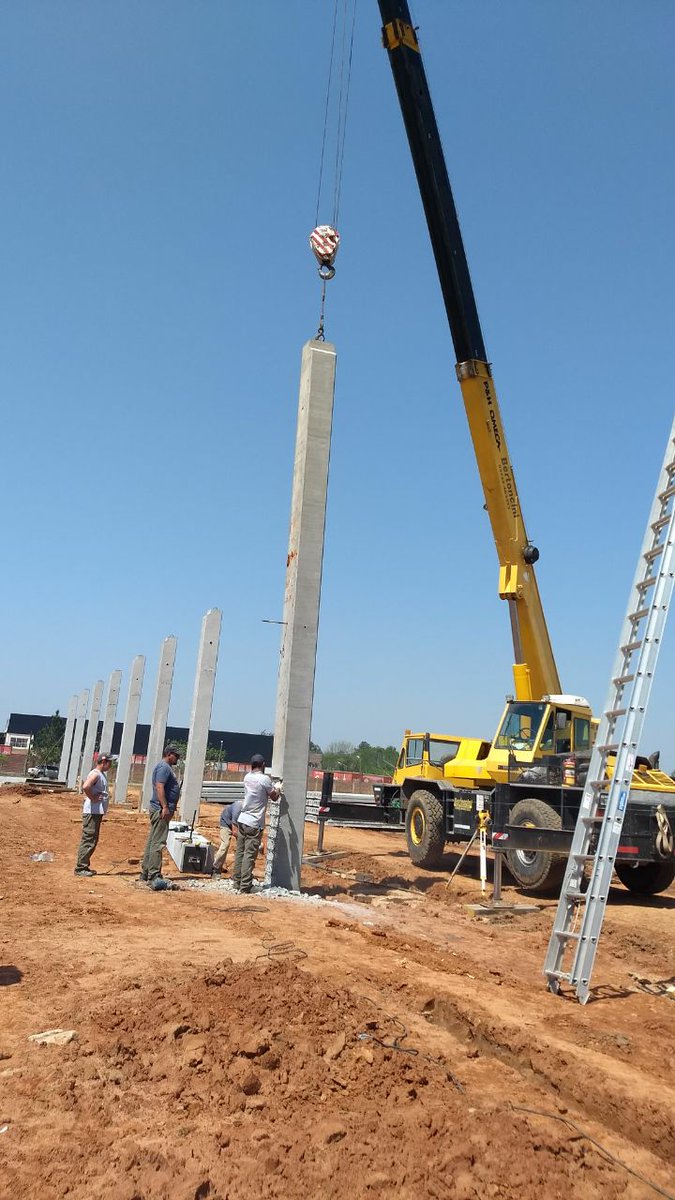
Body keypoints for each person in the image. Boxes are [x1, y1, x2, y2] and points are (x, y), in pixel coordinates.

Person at [232, 754, 281, 894]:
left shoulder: (247, 777)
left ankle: (237, 882)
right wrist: (278, 787)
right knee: (249, 854)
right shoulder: (264, 779)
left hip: (243, 819)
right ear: (262, 764)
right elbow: (274, 797)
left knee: (240, 852)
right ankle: (246, 885)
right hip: (254, 822)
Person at [140, 745, 181, 886]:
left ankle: (146, 871)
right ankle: (154, 874)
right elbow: (159, 787)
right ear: (169, 754)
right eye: (176, 756)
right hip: (160, 809)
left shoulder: (165, 767)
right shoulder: (164, 768)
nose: (178, 759)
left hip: (160, 808)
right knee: (158, 842)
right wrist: (164, 806)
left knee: (153, 840)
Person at [74, 753, 112, 877]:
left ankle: (83, 866)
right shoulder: (96, 774)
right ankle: (81, 868)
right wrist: (93, 797)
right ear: (104, 761)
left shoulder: (100, 775)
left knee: (92, 839)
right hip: (92, 812)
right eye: (109, 762)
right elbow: (86, 786)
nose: (111, 765)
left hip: (95, 812)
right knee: (89, 839)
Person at [212, 799, 242, 876]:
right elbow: (235, 831)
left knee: (243, 846)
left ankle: (240, 872)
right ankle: (216, 868)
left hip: (239, 824)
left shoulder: (250, 811)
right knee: (225, 844)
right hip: (226, 823)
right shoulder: (238, 809)